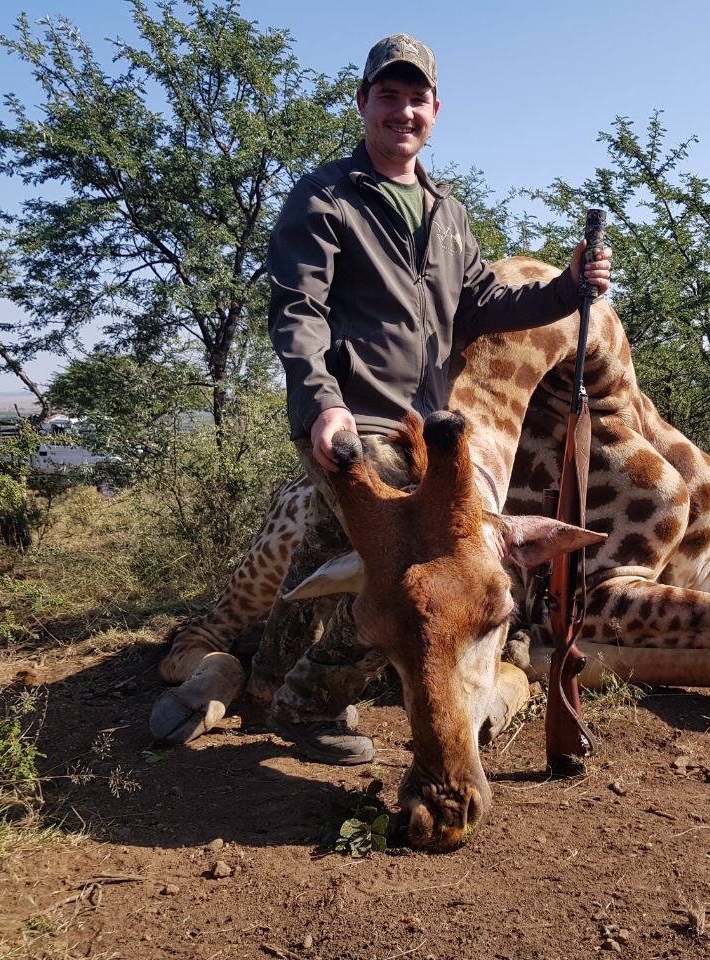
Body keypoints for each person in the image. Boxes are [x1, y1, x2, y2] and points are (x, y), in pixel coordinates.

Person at [260, 34, 612, 765]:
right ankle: (307, 704)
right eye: (387, 97)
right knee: (415, 580)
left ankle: (268, 679)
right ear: (363, 104)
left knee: (332, 551)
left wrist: (568, 289)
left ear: (435, 110)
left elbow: (481, 302)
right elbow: (298, 309)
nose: (403, 111)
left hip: (421, 424)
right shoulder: (325, 196)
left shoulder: (445, 210)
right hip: (353, 422)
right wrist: (323, 403)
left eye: (415, 98)